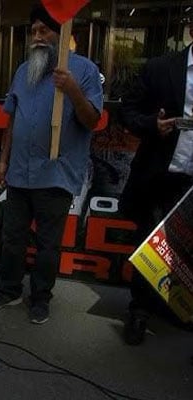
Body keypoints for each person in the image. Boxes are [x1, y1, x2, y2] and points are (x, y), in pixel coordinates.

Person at [0, 5, 102, 324]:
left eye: (43, 31)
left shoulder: (84, 71)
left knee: (47, 243)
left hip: (55, 174)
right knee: (13, 236)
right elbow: (13, 119)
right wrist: (3, 161)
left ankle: (41, 298)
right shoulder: (23, 71)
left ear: (61, 36)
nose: (36, 38)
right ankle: (9, 290)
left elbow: (92, 120)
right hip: (19, 171)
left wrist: (72, 90)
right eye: (33, 32)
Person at [119, 21, 193, 345]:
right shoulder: (162, 68)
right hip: (160, 175)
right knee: (150, 246)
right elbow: (127, 112)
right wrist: (153, 124)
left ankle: (181, 312)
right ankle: (139, 311)